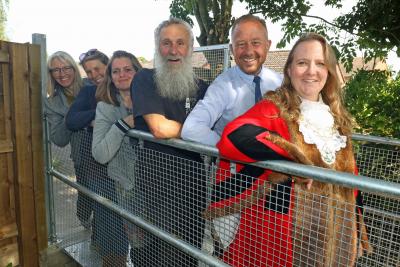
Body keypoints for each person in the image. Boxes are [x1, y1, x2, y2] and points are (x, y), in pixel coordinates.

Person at [206, 32, 372, 267]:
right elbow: (234, 136)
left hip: (336, 233)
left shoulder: (336, 116)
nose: (311, 71)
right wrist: (293, 160)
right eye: (302, 63)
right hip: (284, 232)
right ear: (290, 69)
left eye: (320, 64)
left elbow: (351, 178)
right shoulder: (275, 107)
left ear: (329, 71)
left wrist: (357, 226)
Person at [130, 17, 209, 266]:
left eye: (180, 43)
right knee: (153, 253)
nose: (173, 50)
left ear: (190, 48)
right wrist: (199, 131)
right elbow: (160, 127)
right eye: (166, 43)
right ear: (157, 47)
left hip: (194, 185)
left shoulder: (203, 88)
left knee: (189, 251)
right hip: (155, 185)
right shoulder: (144, 79)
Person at [181, 14, 282, 146]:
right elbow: (191, 129)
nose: (249, 51)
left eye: (256, 43)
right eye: (241, 44)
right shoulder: (222, 86)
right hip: (236, 165)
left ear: (268, 45)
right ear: (231, 49)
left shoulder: (280, 82)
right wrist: (231, 148)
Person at [91, 50, 144, 266]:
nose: (122, 75)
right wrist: (123, 125)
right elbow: (101, 154)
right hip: (127, 186)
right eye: (116, 71)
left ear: (137, 72)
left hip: (158, 182)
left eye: (128, 69)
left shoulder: (152, 100)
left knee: (165, 240)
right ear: (110, 77)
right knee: (140, 244)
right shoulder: (106, 107)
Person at [44, 51, 94, 228]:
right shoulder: (52, 103)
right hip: (83, 156)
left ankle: (101, 237)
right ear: (50, 74)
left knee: (109, 200)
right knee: (87, 195)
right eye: (56, 69)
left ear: (74, 68)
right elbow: (58, 139)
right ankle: (84, 219)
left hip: (109, 150)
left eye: (66, 67)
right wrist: (73, 116)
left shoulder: (91, 84)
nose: (62, 73)